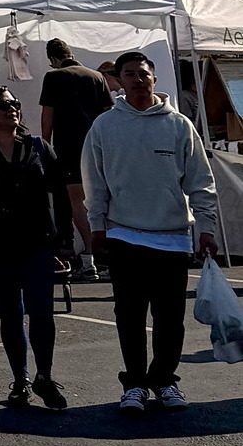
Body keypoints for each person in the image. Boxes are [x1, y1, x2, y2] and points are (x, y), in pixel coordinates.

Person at [82, 48, 219, 412]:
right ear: (119, 82)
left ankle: (164, 381)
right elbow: (94, 182)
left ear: (154, 78)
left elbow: (201, 182)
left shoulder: (178, 125)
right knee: (129, 315)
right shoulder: (105, 125)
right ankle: (135, 385)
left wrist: (206, 228)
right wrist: (97, 229)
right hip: (124, 233)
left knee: (170, 319)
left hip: (172, 236)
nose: (138, 80)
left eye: (143, 74)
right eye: (130, 75)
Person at [0, 87, 72, 410]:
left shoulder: (36, 146)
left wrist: (64, 240)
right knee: (11, 313)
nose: (11, 110)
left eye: (15, 104)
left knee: (43, 313)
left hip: (37, 241)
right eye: (3, 105)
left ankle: (44, 377)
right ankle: (20, 380)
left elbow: (59, 193)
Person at [38, 39, 114, 280]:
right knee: (102, 198)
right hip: (98, 145)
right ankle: (109, 253)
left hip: (69, 146)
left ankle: (90, 257)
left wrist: (45, 146)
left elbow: (47, 114)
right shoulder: (96, 76)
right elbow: (106, 113)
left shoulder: (54, 77)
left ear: (52, 59)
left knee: (76, 202)